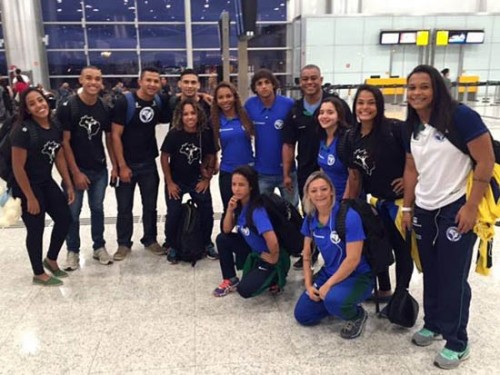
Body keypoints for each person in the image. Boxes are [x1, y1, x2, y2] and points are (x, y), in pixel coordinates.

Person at [402, 65, 494, 369]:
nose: (417, 93)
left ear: (437, 88)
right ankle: (435, 323)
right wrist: (407, 206)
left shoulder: (461, 117)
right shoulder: (412, 125)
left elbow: (485, 160)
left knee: (453, 276)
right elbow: (412, 169)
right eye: (412, 87)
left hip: (456, 207)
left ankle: (458, 341)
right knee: (431, 270)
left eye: (424, 86)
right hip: (425, 209)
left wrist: (471, 206)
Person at [345, 84, 413, 306]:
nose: (365, 107)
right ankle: (384, 290)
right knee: (378, 247)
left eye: (371, 102)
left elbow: (419, 159)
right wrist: (347, 207)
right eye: (361, 103)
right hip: (375, 203)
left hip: (400, 204)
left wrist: (409, 180)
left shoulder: (395, 129)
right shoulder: (351, 136)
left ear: (379, 105)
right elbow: (354, 177)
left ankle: (401, 296)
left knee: (403, 252)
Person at [282, 64, 353, 269]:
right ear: (300, 82)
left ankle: (344, 261)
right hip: (308, 171)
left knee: (341, 218)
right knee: (311, 214)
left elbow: (355, 134)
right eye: (305, 79)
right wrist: (287, 173)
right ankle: (311, 253)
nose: (310, 82)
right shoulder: (295, 110)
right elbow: (288, 143)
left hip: (338, 172)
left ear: (321, 80)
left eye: (314, 78)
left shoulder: (336, 104)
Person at [294, 171, 372, 338]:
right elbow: (306, 255)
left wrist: (328, 286)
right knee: (303, 315)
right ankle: (335, 302)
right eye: (313, 191)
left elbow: (353, 259)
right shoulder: (310, 218)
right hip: (329, 273)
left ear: (331, 190)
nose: (319, 194)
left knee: (333, 298)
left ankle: (357, 315)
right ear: (308, 194)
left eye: (323, 189)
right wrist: (309, 285)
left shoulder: (349, 217)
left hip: (358, 276)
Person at [10, 88, 74, 286]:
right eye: (32, 104)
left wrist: (68, 184)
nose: (39, 105)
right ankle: (38, 273)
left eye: (41, 100)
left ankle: (51, 259)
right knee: (36, 228)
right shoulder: (22, 131)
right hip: (26, 185)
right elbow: (17, 167)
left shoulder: (55, 124)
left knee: (65, 219)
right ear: (27, 109)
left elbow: (59, 156)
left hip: (46, 181)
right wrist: (29, 197)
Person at [58, 66, 117, 270]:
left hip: (98, 169)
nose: (93, 82)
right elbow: (64, 142)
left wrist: (115, 166)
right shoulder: (68, 106)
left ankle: (98, 246)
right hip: (75, 171)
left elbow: (109, 139)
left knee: (98, 209)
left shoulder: (104, 107)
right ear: (81, 80)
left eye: (98, 79)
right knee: (72, 213)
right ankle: (72, 250)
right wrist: (75, 173)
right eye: (89, 78)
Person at [111, 67, 171, 261]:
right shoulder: (124, 102)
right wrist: (121, 166)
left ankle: (150, 239)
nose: (153, 84)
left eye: (156, 81)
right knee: (124, 207)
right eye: (149, 80)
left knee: (150, 205)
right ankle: (123, 243)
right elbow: (115, 136)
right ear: (140, 81)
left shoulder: (158, 101)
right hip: (127, 164)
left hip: (148, 163)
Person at [213, 165, 290, 298]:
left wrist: (273, 258)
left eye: (241, 185)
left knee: (244, 290)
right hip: (252, 249)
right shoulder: (238, 204)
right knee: (222, 239)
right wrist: (230, 210)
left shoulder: (257, 210)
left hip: (267, 255)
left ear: (251, 186)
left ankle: (275, 276)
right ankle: (230, 279)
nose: (236, 189)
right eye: (234, 184)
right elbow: (226, 230)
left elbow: (272, 239)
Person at [161, 98, 216, 263]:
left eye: (193, 113)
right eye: (186, 114)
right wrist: (169, 183)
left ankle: (206, 242)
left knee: (207, 210)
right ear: (180, 116)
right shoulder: (174, 133)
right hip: (176, 180)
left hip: (196, 179)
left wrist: (207, 179)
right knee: (174, 213)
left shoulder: (204, 132)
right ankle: (171, 244)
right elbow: (164, 157)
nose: (190, 117)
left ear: (198, 115)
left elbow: (211, 155)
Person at [244, 68, 298, 207]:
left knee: (291, 211)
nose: (264, 86)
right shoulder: (250, 105)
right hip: (262, 172)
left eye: (267, 82)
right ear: (255, 88)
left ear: (273, 84)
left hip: (287, 172)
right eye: (259, 83)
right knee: (263, 211)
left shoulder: (288, 104)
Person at [210, 81, 254, 219]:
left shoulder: (246, 116)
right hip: (228, 172)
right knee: (229, 210)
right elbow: (212, 146)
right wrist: (213, 163)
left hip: (249, 171)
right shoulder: (215, 120)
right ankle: (228, 238)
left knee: (251, 211)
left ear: (235, 97)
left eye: (228, 96)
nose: (225, 100)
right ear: (216, 101)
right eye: (221, 97)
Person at [317, 97, 350, 200]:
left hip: (344, 199)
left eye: (330, 112)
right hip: (329, 199)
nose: (324, 116)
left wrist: (346, 201)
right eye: (321, 112)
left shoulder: (346, 140)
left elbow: (354, 177)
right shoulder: (322, 139)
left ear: (339, 116)